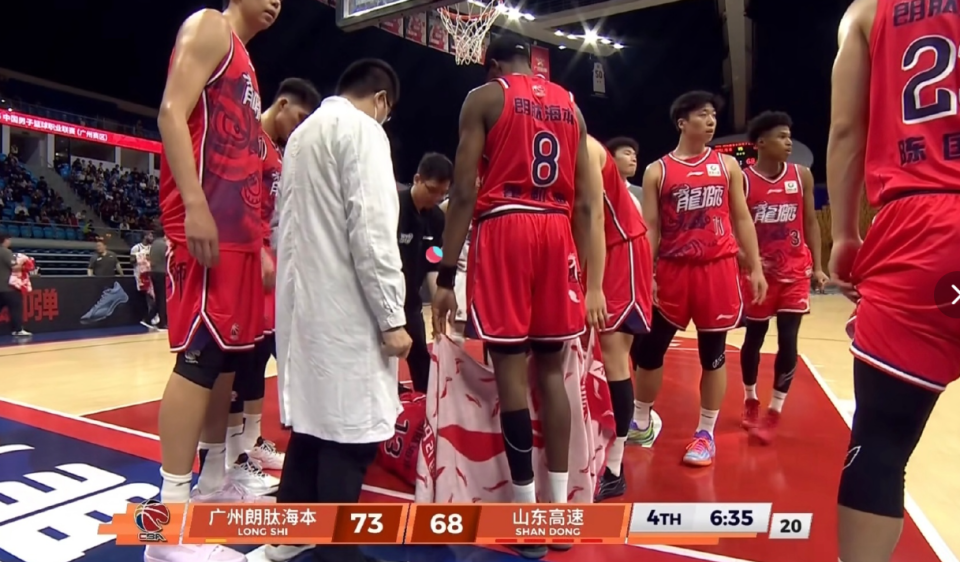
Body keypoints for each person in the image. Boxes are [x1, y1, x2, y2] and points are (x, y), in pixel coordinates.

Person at [431, 34, 606, 560]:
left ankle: (527, 516)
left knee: (510, 370)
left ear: (491, 65)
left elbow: (464, 192)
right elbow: (586, 204)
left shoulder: (484, 97)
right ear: (534, 63)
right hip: (556, 232)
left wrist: (445, 276)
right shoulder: (571, 106)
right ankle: (560, 513)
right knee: (551, 372)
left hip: (505, 229)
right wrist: (582, 273)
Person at [827, 1, 960, 560]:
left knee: (880, 443)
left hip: (920, 226)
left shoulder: (867, 10)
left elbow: (846, 129)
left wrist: (843, 235)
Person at [150, 0, 278, 560]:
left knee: (224, 358)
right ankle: (167, 527)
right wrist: (195, 205)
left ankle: (210, 484)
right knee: (198, 356)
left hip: (238, 232)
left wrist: (258, 243)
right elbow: (170, 113)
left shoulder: (246, 60)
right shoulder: (209, 26)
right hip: (205, 226)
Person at [273, 58, 408, 562]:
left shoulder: (301, 136)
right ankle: (338, 552)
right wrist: (392, 316)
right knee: (350, 433)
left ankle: (289, 533)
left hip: (302, 307)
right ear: (381, 100)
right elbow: (371, 230)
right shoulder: (364, 131)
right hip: (347, 307)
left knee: (312, 424)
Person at [629, 90, 766, 466]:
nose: (711, 121)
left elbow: (742, 217)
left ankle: (705, 433)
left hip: (716, 269)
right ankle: (640, 421)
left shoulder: (727, 167)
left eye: (713, 116)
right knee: (649, 351)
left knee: (713, 353)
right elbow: (651, 228)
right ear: (682, 122)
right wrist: (646, 273)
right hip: (672, 270)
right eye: (703, 115)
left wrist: (754, 265)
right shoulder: (658, 170)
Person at [226, 78, 320, 495]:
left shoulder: (277, 152)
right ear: (282, 105)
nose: (299, 127)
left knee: (261, 353)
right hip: (249, 256)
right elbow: (237, 201)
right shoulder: (249, 140)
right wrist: (258, 248)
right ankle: (234, 456)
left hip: (270, 258)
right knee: (243, 357)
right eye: (298, 117)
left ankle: (251, 441)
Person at [738, 111, 826, 444]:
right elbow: (732, 228)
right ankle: (750, 398)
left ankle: (774, 411)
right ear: (761, 142)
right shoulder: (742, 180)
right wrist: (747, 261)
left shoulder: (801, 175)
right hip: (759, 274)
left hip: (795, 270)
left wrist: (818, 266)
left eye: (790, 136)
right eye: (781, 136)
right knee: (755, 338)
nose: (789, 142)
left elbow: (810, 222)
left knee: (789, 339)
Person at [584, 134, 653, 502]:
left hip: (619, 250)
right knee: (598, 353)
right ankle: (598, 449)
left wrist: (593, 286)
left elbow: (593, 217)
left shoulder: (585, 148)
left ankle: (614, 468)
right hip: (603, 250)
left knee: (614, 355)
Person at [397, 152, 452, 392]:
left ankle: (427, 399)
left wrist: (438, 300)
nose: (436, 198)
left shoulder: (437, 219)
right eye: (432, 190)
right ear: (417, 179)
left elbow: (433, 262)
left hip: (411, 300)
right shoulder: (395, 207)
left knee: (420, 354)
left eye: (442, 193)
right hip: (386, 297)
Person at [0, 233, 29, 337]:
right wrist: (25, 264)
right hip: (8, 287)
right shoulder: (5, 252)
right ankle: (17, 330)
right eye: (9, 239)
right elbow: (15, 267)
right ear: (5, 240)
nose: (10, 241)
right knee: (15, 307)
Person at [131, 231, 158, 329]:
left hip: (151, 273)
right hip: (141, 275)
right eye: (150, 235)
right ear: (144, 236)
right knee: (147, 296)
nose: (152, 237)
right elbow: (131, 261)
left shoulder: (152, 247)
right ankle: (149, 318)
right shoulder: (136, 248)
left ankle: (152, 317)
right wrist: (141, 256)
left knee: (153, 295)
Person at [606, 137, 642, 202]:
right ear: (610, 158)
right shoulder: (598, 190)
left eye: (635, 155)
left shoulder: (641, 193)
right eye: (627, 154)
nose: (634, 159)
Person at [148, 226, 168, 331]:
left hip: (154, 272)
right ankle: (163, 322)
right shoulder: (164, 245)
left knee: (159, 297)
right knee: (163, 298)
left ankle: (149, 317)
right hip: (162, 272)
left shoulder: (154, 244)